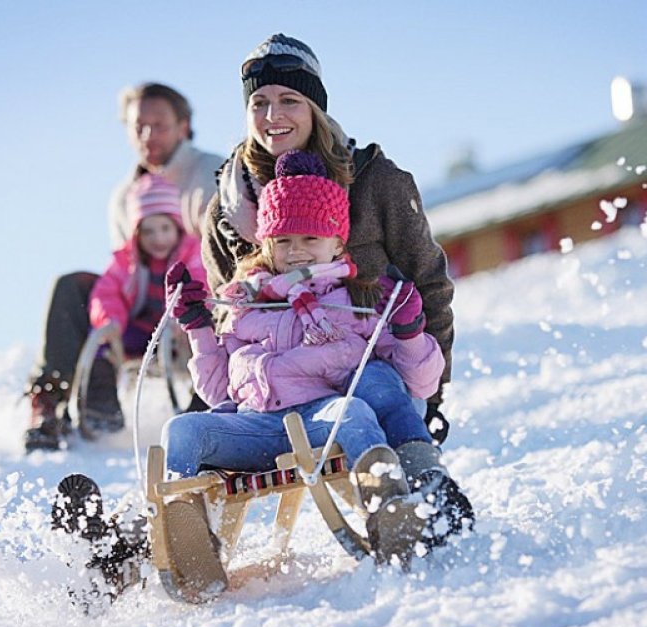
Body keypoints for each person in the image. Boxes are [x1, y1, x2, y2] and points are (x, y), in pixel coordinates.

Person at [153, 150, 462, 601]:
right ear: (265, 245)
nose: (296, 251)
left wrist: (411, 331)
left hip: (322, 422)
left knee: (355, 410)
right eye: (283, 241)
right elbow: (218, 389)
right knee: (180, 428)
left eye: (310, 238)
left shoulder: (358, 302)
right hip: (257, 426)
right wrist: (199, 326)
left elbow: (420, 383)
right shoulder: (244, 305)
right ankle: (188, 537)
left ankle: (388, 509)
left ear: (338, 242)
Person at [200, 34, 457, 452]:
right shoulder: (228, 209)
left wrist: (432, 394)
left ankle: (408, 492)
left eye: (289, 100)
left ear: (315, 109)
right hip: (275, 398)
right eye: (258, 103)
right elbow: (224, 319)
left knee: (375, 392)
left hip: (374, 377)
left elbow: (428, 283)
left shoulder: (376, 181)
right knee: (195, 433)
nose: (272, 115)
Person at [25, 83, 223, 452]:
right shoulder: (123, 197)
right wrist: (109, 320)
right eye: (138, 126)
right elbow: (125, 269)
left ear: (183, 126)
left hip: (206, 301)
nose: (148, 135)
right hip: (144, 311)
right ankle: (52, 402)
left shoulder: (212, 172)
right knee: (73, 287)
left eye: (160, 125)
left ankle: (210, 406)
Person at [76, 175, 206, 433]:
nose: (158, 238)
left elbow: (200, 283)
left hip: (178, 331)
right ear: (136, 232)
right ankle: (101, 406)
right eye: (148, 231)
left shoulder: (193, 253)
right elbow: (107, 292)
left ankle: (201, 404)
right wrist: (109, 321)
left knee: (206, 341)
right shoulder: (127, 260)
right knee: (101, 340)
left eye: (164, 229)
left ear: (177, 227)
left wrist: (185, 316)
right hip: (140, 331)